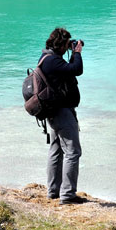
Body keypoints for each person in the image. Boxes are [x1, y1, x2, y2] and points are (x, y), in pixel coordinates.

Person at [39, 27, 86, 205]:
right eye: (67, 44)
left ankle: (54, 191)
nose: (68, 47)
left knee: (57, 150)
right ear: (60, 44)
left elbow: (70, 69)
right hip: (61, 112)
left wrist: (73, 53)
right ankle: (67, 195)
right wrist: (77, 52)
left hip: (53, 112)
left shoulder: (47, 58)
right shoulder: (53, 61)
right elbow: (77, 69)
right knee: (73, 152)